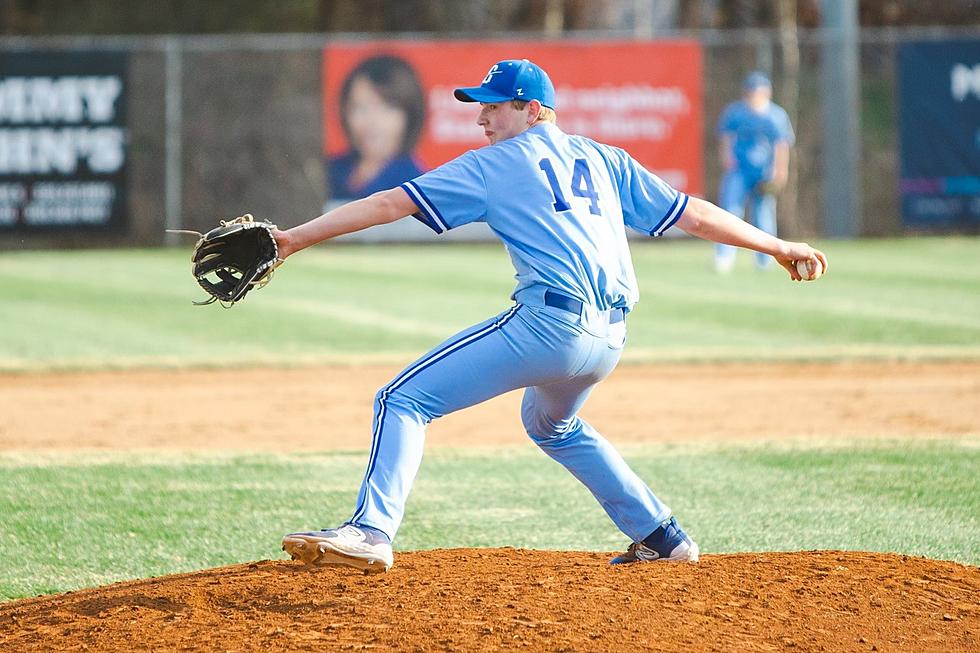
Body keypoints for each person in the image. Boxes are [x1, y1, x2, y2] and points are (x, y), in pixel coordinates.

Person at [279, 59, 827, 573]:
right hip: (609, 340)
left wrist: (295, 239)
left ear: (532, 111)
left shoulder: (496, 163)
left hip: (550, 328)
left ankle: (372, 530)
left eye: (495, 106)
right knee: (550, 423)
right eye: (481, 105)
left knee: (402, 399)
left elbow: (388, 205)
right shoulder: (605, 157)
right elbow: (696, 215)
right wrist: (777, 245)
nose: (481, 116)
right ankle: (664, 538)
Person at [714, 71, 796, 272]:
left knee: (763, 215)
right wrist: (727, 159)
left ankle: (765, 259)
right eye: (751, 91)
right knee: (730, 212)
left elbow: (781, 145)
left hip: (763, 173)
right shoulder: (736, 112)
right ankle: (724, 256)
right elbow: (726, 136)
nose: (754, 95)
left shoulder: (775, 116)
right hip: (739, 170)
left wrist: (780, 171)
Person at [327, 54, 426, 202]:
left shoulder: (417, 185)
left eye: (387, 107)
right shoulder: (328, 171)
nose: (372, 122)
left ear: (410, 115)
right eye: (361, 107)